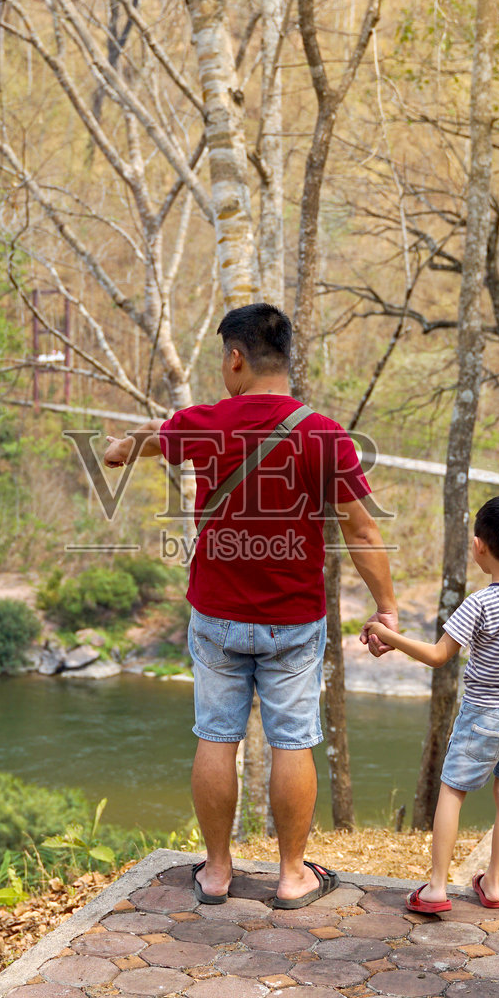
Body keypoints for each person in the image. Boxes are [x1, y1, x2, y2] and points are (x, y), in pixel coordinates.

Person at [103, 302, 399, 909]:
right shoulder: (324, 435)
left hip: (216, 616)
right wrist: (386, 607)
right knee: (292, 740)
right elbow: (363, 531)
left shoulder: (205, 423)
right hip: (294, 620)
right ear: (285, 357)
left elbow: (144, 444)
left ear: (235, 358)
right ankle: (292, 876)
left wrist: (121, 449)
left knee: (217, 736)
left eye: (223, 359)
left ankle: (216, 873)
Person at [363, 495, 499, 913]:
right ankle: (493, 884)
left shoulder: (480, 603)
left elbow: (439, 655)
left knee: (453, 791)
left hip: (485, 715)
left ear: (479, 546)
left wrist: (389, 636)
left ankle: (436, 889)